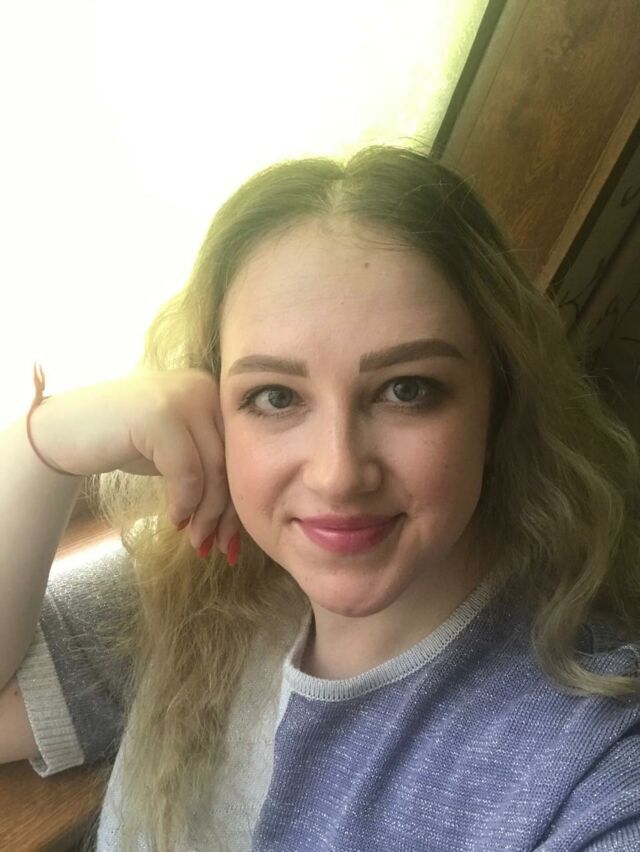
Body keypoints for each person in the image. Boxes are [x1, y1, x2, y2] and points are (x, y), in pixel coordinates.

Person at [1, 144, 639, 852]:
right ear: (217, 414)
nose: (338, 475)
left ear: (500, 404)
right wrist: (43, 446)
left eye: (407, 390)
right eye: (275, 397)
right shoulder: (195, 583)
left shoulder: (591, 759)